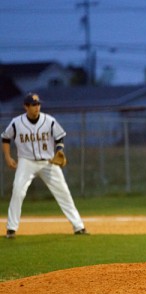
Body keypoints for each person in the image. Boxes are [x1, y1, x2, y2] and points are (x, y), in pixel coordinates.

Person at [2, 92, 88, 238]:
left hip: (48, 162)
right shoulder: (16, 123)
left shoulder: (49, 121)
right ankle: (11, 228)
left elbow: (60, 137)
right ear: (26, 106)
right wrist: (7, 157)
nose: (37, 107)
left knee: (63, 192)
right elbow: (5, 138)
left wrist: (59, 150)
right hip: (26, 161)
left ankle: (78, 227)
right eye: (33, 105)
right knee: (18, 191)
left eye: (38, 104)